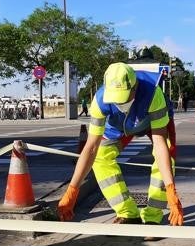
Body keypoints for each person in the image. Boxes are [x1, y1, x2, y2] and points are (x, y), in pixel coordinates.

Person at [57, 62, 183, 232]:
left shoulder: (154, 94)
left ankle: (153, 215)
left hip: (151, 121)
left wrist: (170, 188)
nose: (118, 102)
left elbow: (160, 145)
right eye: (114, 97)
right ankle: (128, 213)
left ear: (135, 87)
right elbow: (91, 148)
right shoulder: (100, 100)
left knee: (166, 155)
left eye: (123, 96)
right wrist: (72, 190)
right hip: (119, 125)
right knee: (101, 155)